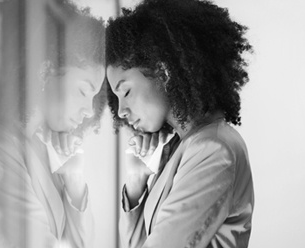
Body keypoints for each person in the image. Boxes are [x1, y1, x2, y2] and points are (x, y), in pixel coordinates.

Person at [106, 0, 254, 247]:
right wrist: (136, 181)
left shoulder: (213, 149)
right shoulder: (180, 147)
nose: (120, 111)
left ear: (163, 73)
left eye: (126, 92)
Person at [0, 0, 105, 247]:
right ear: (45, 71)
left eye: (95, 98)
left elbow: (81, 242)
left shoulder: (41, 150)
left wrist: (73, 179)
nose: (89, 111)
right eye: (84, 91)